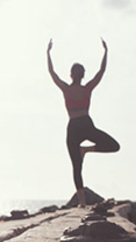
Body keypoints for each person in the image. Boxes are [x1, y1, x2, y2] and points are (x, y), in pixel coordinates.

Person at [47, 38, 120, 208]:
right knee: (113, 146)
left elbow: (52, 73)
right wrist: (106, 52)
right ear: (83, 75)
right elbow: (101, 72)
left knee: (76, 166)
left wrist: (48, 53)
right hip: (86, 124)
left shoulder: (66, 89)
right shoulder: (87, 89)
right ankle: (87, 149)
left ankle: (82, 203)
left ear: (71, 75)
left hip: (73, 127)